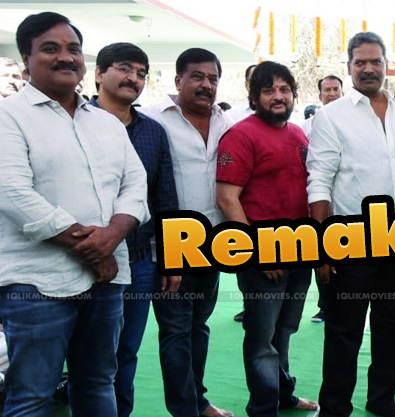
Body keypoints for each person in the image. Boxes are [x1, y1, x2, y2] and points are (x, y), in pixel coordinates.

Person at [0, 12, 149, 417]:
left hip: (108, 280)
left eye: (73, 49)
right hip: (36, 282)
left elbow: (136, 185)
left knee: (98, 381)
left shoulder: (106, 123)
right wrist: (96, 251)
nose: (65, 57)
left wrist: (112, 236)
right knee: (33, 395)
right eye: (50, 49)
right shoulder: (9, 116)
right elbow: (13, 193)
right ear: (27, 58)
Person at [307, 32, 395, 417]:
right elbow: (319, 181)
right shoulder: (331, 116)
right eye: (360, 63)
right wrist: (321, 247)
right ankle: (335, 408)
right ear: (349, 67)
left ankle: (382, 400)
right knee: (344, 331)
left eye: (375, 62)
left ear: (387, 65)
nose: (368, 69)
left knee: (392, 326)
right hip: (350, 240)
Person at [216, 60, 318, 417]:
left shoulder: (298, 134)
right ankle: (263, 408)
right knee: (262, 338)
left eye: (284, 89)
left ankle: (283, 395)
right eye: (268, 90)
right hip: (263, 255)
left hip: (300, 250)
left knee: (284, 331)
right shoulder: (240, 135)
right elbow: (227, 198)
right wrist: (257, 253)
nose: (278, 96)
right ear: (254, 97)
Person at [140, 48, 235, 417]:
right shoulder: (152, 120)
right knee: (176, 331)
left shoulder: (227, 122)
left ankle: (199, 400)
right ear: (178, 80)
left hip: (213, 246)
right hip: (171, 246)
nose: (205, 84)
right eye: (197, 76)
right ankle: (185, 411)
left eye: (212, 78)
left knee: (199, 326)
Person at [89, 41, 181, 417]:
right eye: (125, 69)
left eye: (141, 73)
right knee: (90, 355)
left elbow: (165, 199)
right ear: (99, 73)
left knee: (126, 351)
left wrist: (173, 258)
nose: (134, 78)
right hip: (84, 259)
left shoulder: (153, 132)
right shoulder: (76, 123)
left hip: (140, 261)